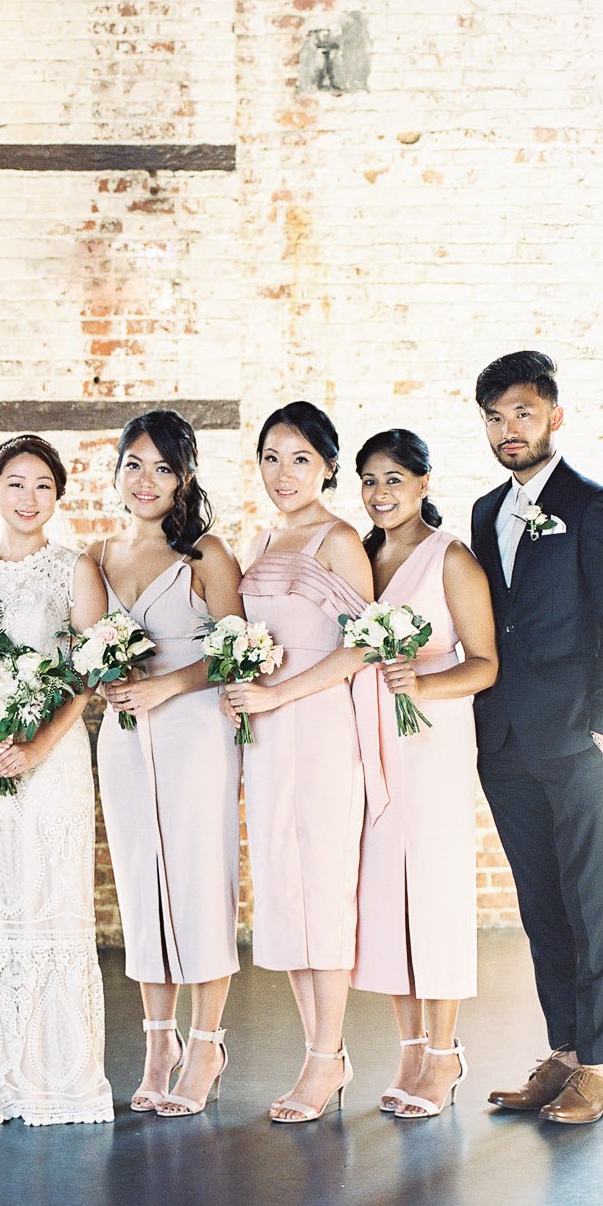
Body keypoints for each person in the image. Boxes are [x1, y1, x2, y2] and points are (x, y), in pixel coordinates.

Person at [471, 351, 603, 1124]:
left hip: (577, 740)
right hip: (503, 742)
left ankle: (600, 1072)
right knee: (539, 904)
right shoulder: (482, 512)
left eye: (523, 414)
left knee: (587, 903)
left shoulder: (594, 505)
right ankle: (565, 1056)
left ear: (554, 417)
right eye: (495, 418)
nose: (509, 430)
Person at [0, 435, 114, 1126]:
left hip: (53, 755)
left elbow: (89, 670)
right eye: (15, 484)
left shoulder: (74, 572)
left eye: (42, 486)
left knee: (47, 894)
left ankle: (55, 1075)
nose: (28, 498)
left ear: (57, 496)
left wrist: (38, 744)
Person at [224, 402, 380, 1124]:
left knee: (322, 890)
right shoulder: (259, 541)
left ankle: (326, 1057)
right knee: (283, 894)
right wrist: (239, 688)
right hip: (266, 736)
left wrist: (276, 692)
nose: (282, 474)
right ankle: (319, 1051)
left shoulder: (338, 538)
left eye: (298, 459)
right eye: (270, 458)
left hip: (317, 728)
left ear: (325, 466)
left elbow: (362, 646)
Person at [92, 409, 244, 1118]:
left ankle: (205, 1041)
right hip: (123, 737)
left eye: (160, 466)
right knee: (139, 882)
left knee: (196, 878)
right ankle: (158, 1044)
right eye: (133, 464)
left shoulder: (206, 555)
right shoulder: (97, 557)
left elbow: (235, 651)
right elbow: (84, 647)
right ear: (116, 471)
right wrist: (105, 679)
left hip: (193, 732)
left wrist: (167, 683)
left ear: (183, 476)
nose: (144, 480)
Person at [351, 429, 497, 1118]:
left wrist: (421, 684)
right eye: (369, 481)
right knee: (382, 900)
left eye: (393, 480)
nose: (380, 494)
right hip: (367, 744)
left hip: (431, 743)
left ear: (423, 483)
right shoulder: (356, 558)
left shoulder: (451, 560)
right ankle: (407, 1047)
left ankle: (443, 1053)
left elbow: (484, 662)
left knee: (433, 898)